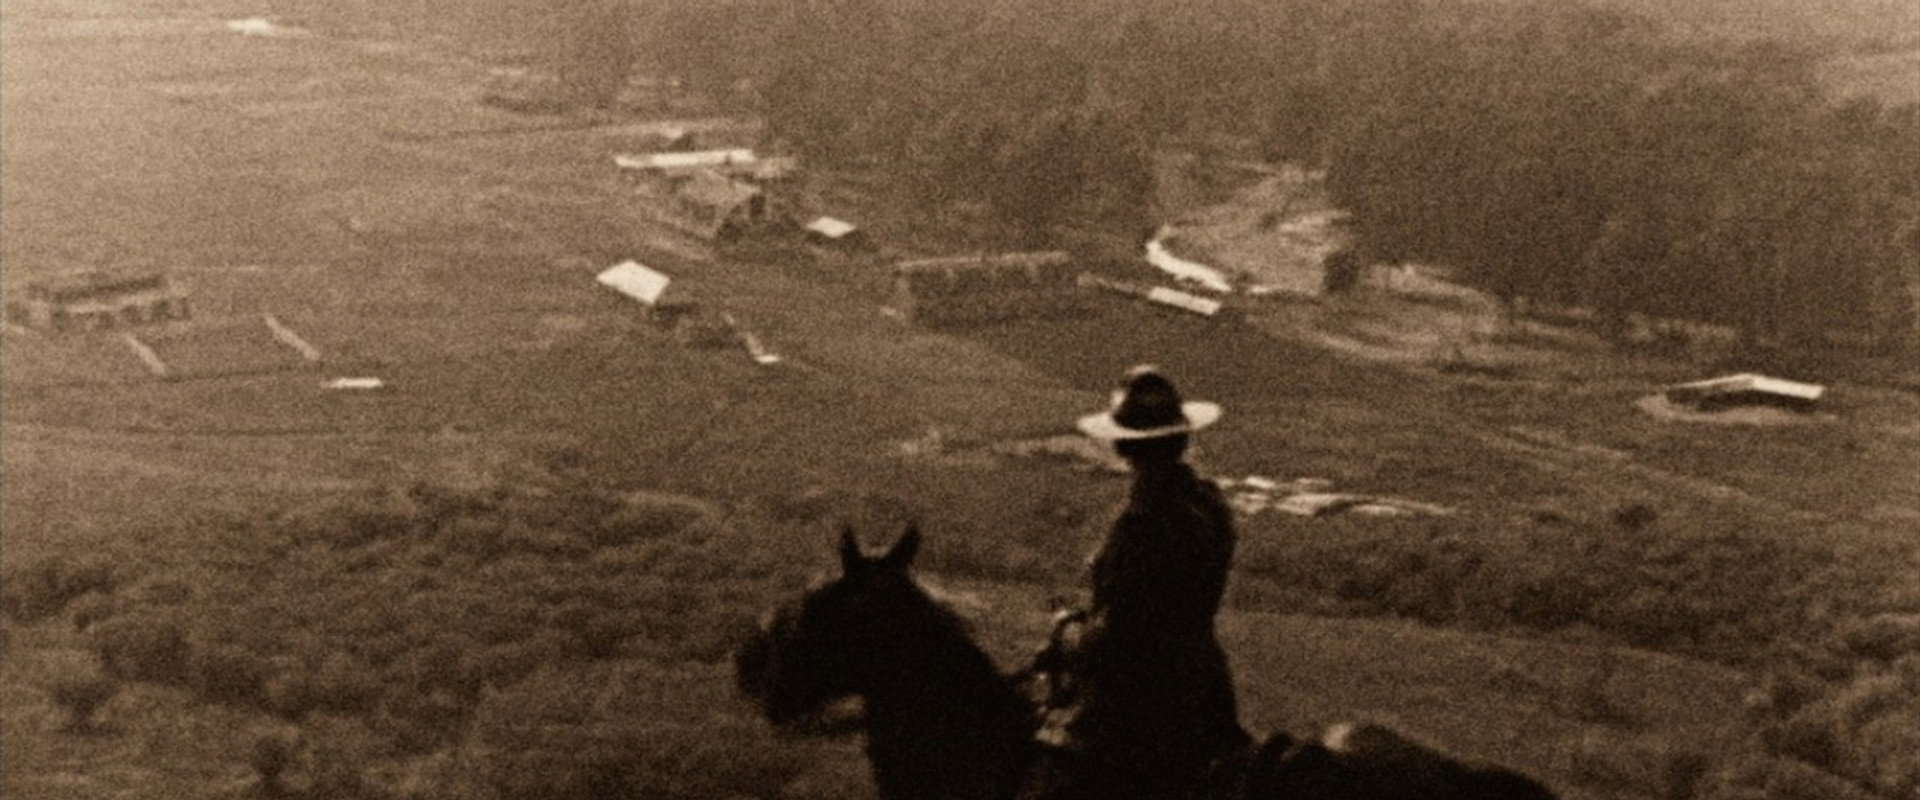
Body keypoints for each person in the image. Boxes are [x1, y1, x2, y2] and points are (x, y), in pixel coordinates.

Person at [1026, 365, 1249, 800]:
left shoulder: (1140, 526)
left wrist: (1066, 632)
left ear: (1122, 445)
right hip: (1204, 688)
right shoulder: (1207, 503)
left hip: (1137, 712)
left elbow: (1115, 639)